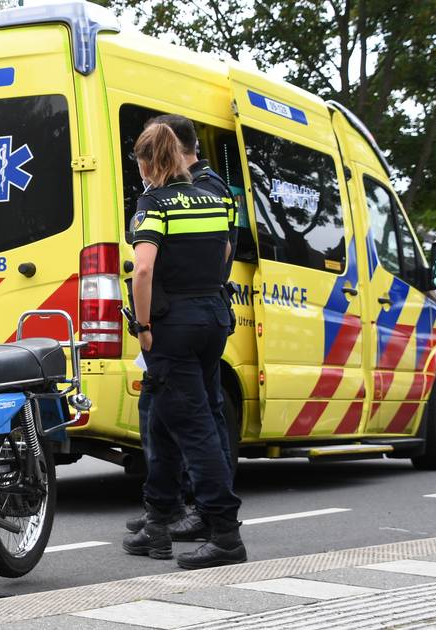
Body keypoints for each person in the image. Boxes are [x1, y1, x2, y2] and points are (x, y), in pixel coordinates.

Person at [122, 122, 246, 569]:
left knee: (195, 428)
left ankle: (225, 533)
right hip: (212, 316)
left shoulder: (154, 203)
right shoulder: (214, 198)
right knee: (163, 418)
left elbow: (142, 270)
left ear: (148, 162)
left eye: (140, 163)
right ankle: (159, 516)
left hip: (173, 325)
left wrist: (143, 325)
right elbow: (226, 252)